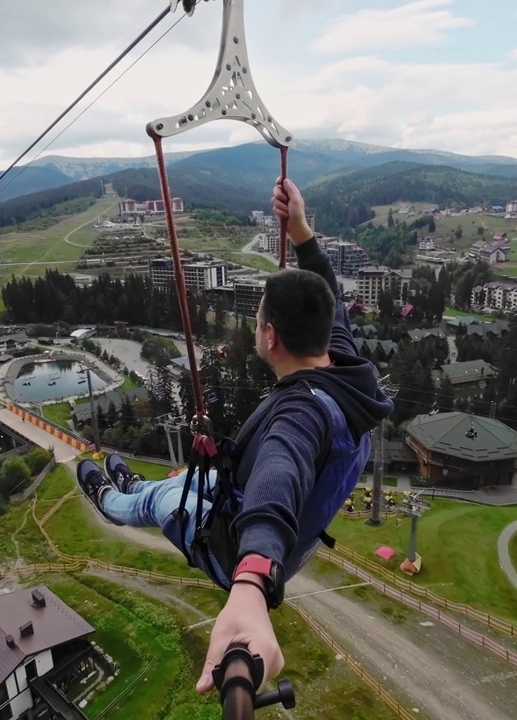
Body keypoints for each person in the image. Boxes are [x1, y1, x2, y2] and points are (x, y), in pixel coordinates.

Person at [77, 177, 393, 695]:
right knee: (182, 482)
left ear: (271, 336)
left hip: (239, 547)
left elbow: (277, 477)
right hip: (278, 532)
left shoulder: (301, 416)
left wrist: (248, 584)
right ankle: (138, 489)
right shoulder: (346, 368)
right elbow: (327, 295)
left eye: (257, 322)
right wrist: (301, 232)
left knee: (163, 497)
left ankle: (114, 498)